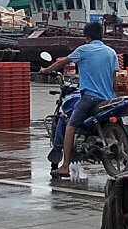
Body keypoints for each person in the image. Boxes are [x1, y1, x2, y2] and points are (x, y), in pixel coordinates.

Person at [37, 20, 118, 179]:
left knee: (70, 125)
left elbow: (63, 62)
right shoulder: (111, 52)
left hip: (90, 97)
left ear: (87, 37)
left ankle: (65, 166)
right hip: (109, 99)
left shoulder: (83, 50)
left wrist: (45, 70)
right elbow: (114, 77)